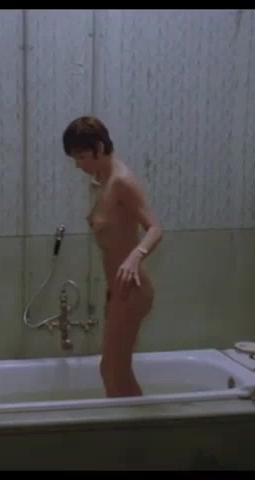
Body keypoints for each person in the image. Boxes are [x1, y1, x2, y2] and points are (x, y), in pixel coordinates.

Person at [62, 115, 162, 398]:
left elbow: (155, 228)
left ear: (99, 148)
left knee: (112, 369)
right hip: (118, 290)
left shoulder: (122, 181)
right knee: (117, 370)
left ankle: (130, 423)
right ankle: (130, 421)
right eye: (75, 158)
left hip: (133, 289)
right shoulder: (102, 181)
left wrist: (135, 256)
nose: (78, 165)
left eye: (82, 157)